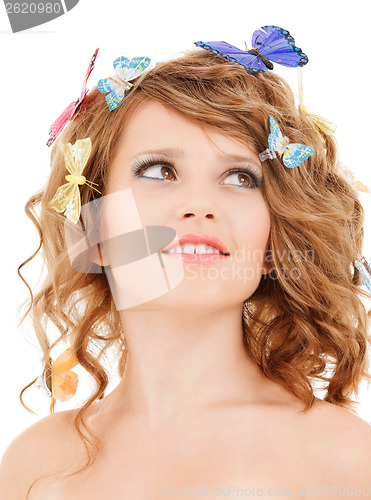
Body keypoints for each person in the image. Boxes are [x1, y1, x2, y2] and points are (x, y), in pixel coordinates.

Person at [1, 31, 371, 499]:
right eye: (158, 170)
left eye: (240, 177)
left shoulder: (345, 458)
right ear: (93, 229)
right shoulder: (34, 464)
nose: (199, 204)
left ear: (275, 237)